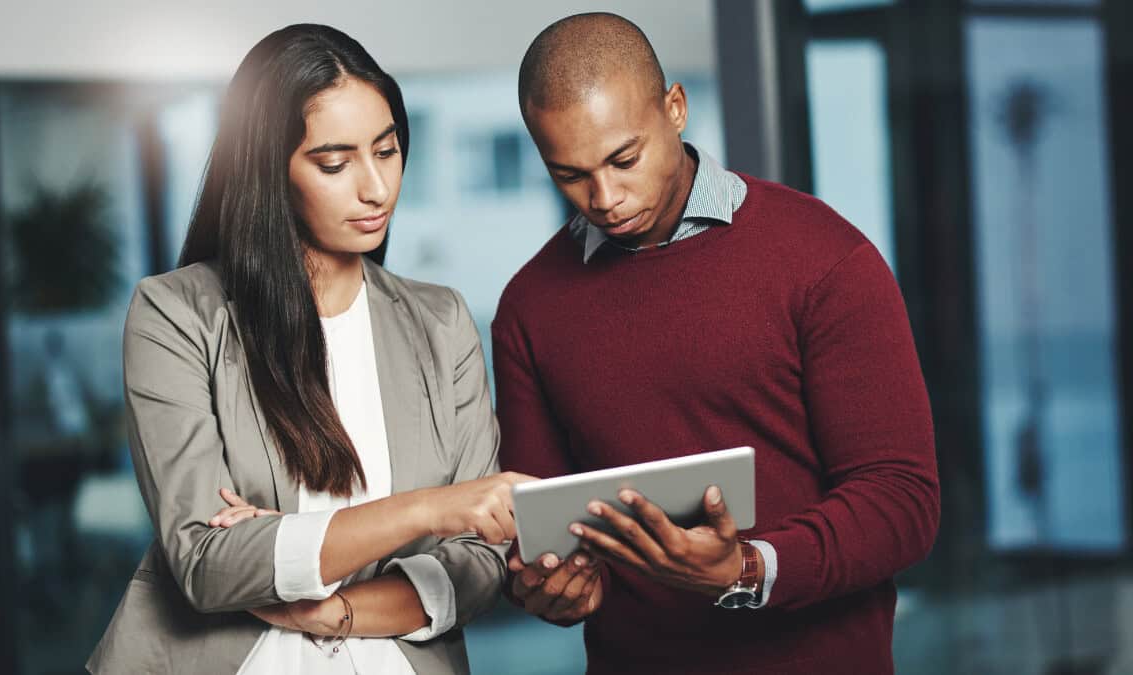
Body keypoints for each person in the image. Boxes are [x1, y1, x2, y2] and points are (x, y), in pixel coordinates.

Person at [493, 12, 939, 675]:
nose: (605, 197)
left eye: (624, 158)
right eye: (570, 174)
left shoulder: (824, 259)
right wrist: (548, 588)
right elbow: (545, 532)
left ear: (675, 107)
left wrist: (747, 568)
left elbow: (902, 500)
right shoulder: (530, 307)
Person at [88, 24, 529, 675]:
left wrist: (327, 604)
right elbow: (207, 564)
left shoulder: (440, 321)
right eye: (334, 162)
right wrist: (432, 507)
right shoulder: (176, 313)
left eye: (388, 150)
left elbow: (475, 562)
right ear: (270, 170)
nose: (376, 187)